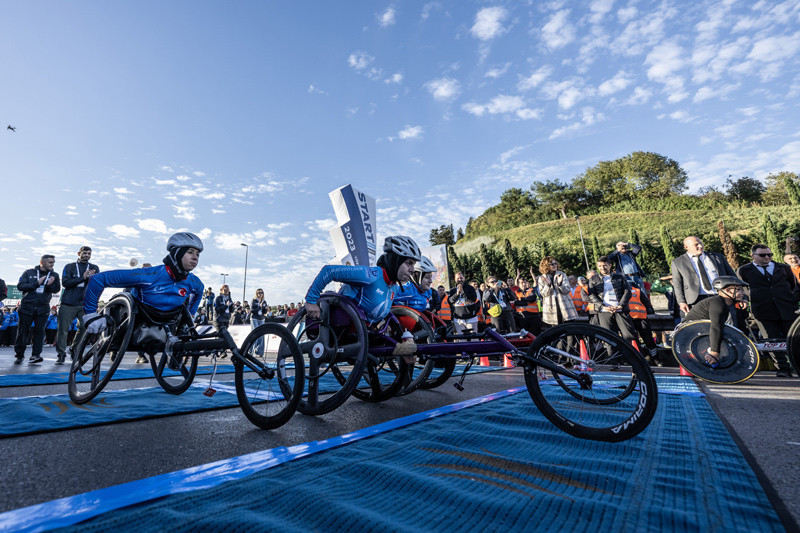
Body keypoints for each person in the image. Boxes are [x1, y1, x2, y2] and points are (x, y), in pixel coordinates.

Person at [82, 233, 205, 347]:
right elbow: (98, 279)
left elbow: (200, 291)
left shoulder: (194, 282)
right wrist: (91, 314)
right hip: (138, 318)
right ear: (177, 253)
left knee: (185, 316)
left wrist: (191, 313)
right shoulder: (149, 275)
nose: (195, 258)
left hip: (168, 321)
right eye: (190, 252)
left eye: (198, 254)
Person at [304, 235, 421, 325]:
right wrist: (311, 301)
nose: (412, 269)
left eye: (413, 264)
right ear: (396, 261)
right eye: (409, 263)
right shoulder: (370, 276)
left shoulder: (393, 286)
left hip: (364, 336)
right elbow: (329, 271)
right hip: (339, 332)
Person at [737, 244, 799, 377]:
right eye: (763, 255)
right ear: (752, 256)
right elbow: (741, 289)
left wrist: (792, 299)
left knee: (795, 339)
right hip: (763, 310)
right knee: (771, 341)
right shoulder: (744, 270)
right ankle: (783, 368)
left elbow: (795, 285)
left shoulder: (783, 267)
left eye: (769, 255)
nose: (767, 257)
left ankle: (797, 366)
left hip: (787, 309)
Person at [683, 276, 749, 367]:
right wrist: (714, 352)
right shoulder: (717, 303)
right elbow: (716, 327)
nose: (743, 293)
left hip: (706, 332)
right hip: (688, 335)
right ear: (728, 291)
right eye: (740, 290)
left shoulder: (732, 303)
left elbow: (741, 327)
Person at [55, 245, 99, 364]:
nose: (87, 256)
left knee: (85, 327)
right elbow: (65, 283)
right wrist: (82, 278)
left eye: (89, 253)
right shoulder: (69, 266)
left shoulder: (94, 267)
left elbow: (97, 285)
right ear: (78, 254)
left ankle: (74, 349)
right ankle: (61, 354)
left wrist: (92, 279)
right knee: (63, 330)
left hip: (85, 304)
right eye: (84, 253)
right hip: (68, 303)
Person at [671, 236, 736, 315]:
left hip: (721, 296)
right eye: (696, 245)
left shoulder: (717, 257)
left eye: (701, 243)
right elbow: (678, 284)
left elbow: (732, 277)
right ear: (686, 247)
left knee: (727, 324)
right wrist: (681, 302)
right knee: (702, 325)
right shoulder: (678, 262)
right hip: (696, 300)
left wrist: (738, 296)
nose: (700, 246)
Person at [15, 255, 61, 364]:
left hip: (43, 308)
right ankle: (19, 355)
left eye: (53, 262)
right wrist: (37, 283)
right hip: (27, 307)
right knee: (23, 332)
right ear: (42, 262)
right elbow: (20, 286)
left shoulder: (54, 275)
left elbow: (56, 289)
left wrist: (49, 285)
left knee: (39, 332)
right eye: (50, 262)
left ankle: (36, 355)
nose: (52, 264)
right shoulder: (29, 272)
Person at [586, 256, 637, 345]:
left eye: (605, 265)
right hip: (604, 311)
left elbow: (627, 291)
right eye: (600, 266)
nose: (602, 268)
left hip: (620, 310)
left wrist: (621, 305)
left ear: (610, 265)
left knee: (629, 336)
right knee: (609, 339)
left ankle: (632, 357)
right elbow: (591, 295)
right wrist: (603, 306)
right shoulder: (593, 279)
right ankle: (613, 358)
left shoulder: (619, 277)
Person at [536, 256, 578, 328]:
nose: (555, 265)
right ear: (546, 266)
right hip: (551, 306)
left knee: (570, 329)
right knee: (556, 331)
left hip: (565, 305)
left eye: (555, 263)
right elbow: (543, 294)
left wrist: (560, 284)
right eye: (552, 264)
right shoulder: (542, 278)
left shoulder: (561, 274)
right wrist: (548, 285)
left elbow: (567, 290)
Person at [250, 289, 269, 354]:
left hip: (261, 318)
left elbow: (264, 312)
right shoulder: (254, 301)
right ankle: (251, 350)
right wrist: (259, 306)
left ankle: (259, 352)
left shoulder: (264, 301)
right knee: (255, 334)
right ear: (256, 293)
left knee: (261, 335)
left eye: (262, 293)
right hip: (254, 318)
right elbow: (252, 310)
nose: (261, 294)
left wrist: (265, 309)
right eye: (259, 293)